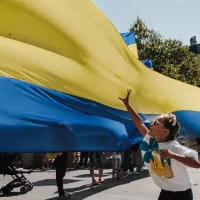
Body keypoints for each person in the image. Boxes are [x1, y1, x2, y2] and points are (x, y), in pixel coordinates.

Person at [119, 89, 200, 200]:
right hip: (166, 192)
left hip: (182, 194)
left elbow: (196, 164)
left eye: (156, 123)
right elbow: (139, 122)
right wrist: (127, 105)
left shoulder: (174, 147)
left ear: (165, 131)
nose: (151, 123)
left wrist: (173, 155)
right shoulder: (151, 140)